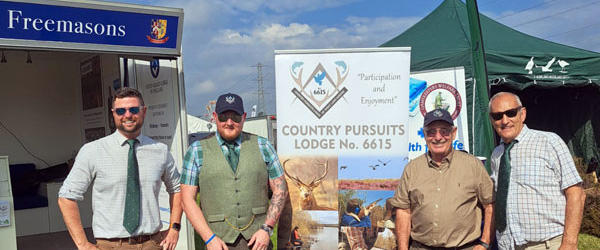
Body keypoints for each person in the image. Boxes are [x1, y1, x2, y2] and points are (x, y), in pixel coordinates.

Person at [58, 87, 183, 250]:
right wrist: (83, 245)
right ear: (113, 113)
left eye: (133, 109)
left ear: (144, 111)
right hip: (111, 245)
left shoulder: (160, 151)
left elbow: (177, 189)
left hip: (153, 243)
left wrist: (174, 228)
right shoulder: (92, 151)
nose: (128, 115)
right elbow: (66, 197)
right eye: (121, 111)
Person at [180, 93, 288, 250]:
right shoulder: (196, 150)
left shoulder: (263, 145)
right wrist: (209, 238)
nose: (229, 123)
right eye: (224, 117)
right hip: (218, 242)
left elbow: (280, 189)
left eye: (235, 117)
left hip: (258, 241)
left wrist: (267, 229)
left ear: (243, 117)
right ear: (215, 117)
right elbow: (187, 199)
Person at [488, 92, 586, 250]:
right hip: (509, 245)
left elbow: (576, 193)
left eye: (511, 113)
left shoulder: (549, 142)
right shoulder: (496, 155)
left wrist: (569, 243)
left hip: (548, 244)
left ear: (523, 114)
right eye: (497, 116)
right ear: (492, 120)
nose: (504, 121)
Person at [390, 108, 494, 250]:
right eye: (431, 132)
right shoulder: (412, 169)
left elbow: (490, 205)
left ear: (454, 133)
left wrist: (485, 242)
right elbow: (403, 211)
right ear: (424, 134)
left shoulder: (472, 165)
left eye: (444, 131)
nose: (438, 137)